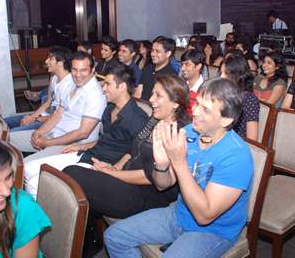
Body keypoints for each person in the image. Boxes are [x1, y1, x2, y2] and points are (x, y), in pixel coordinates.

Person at [104, 78, 254, 258]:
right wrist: (161, 166)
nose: (195, 112)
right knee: (114, 236)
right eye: (197, 103)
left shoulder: (237, 156)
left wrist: (179, 161)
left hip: (213, 232)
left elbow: (204, 216)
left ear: (226, 120)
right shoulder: (190, 132)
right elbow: (163, 185)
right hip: (179, 214)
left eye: (205, 109)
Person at [63, 74, 188, 256]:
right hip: (127, 179)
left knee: (72, 173)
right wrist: (116, 167)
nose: (151, 99)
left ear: (176, 103)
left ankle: (85, 244)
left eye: (158, 96)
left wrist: (111, 174)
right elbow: (133, 148)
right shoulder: (155, 119)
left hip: (149, 196)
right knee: (81, 182)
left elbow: (150, 177)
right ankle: (88, 244)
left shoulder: (178, 133)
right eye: (152, 94)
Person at [22, 64, 148, 199]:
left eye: (107, 84)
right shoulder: (109, 109)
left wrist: (116, 167)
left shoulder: (137, 118)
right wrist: (79, 146)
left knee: (37, 181)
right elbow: (104, 139)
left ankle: (44, 218)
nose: (103, 88)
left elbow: (136, 151)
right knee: (28, 168)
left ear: (122, 87)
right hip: (88, 154)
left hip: (102, 164)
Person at [9, 51, 107, 155]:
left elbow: (83, 133)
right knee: (6, 140)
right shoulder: (72, 85)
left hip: (71, 145)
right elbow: (57, 114)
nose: (78, 75)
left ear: (92, 70)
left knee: (27, 168)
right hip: (53, 134)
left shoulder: (95, 94)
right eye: (74, 70)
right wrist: (39, 132)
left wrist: (48, 143)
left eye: (83, 70)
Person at [5, 47, 74, 132]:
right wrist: (32, 116)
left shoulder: (70, 84)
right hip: (43, 116)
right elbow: (48, 102)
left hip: (53, 122)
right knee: (5, 123)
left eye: (50, 58)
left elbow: (61, 116)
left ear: (61, 63)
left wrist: (35, 119)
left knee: (12, 133)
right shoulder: (55, 77)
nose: (46, 61)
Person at [221, 55, 259, 140]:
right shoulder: (222, 94)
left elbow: (252, 138)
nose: (221, 77)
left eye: (225, 73)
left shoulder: (249, 99)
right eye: (221, 73)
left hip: (236, 144)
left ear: (237, 75)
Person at [180, 49, 205, 115]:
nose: (182, 68)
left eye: (187, 64)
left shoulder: (206, 90)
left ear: (198, 66)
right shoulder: (180, 85)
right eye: (182, 64)